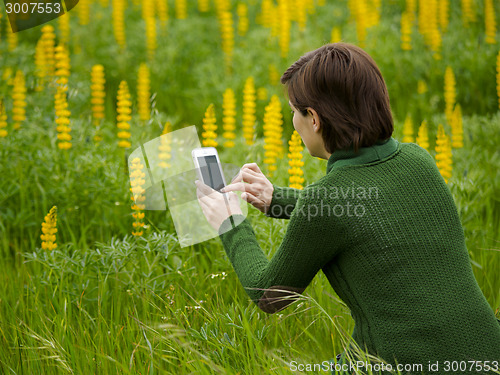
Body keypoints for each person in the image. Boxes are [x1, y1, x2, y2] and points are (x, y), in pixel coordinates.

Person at [195, 43, 500, 374]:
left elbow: (270, 295)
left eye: (295, 111)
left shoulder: (327, 200)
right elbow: (365, 211)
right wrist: (276, 199)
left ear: (314, 119)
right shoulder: (418, 161)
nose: (293, 122)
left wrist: (232, 224)